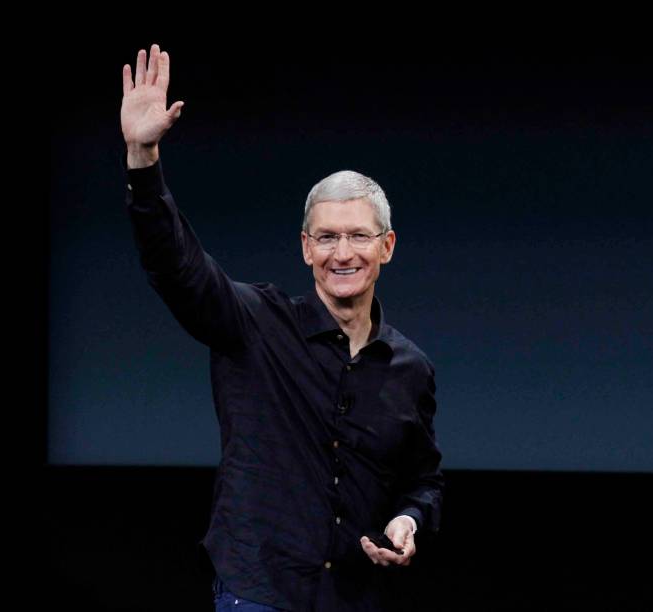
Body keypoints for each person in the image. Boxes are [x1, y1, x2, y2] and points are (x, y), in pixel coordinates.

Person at [121, 44, 444, 611]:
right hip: (258, 593)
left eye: (358, 236)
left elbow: (423, 480)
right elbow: (178, 267)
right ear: (305, 248)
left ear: (386, 247)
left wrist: (407, 519)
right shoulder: (255, 323)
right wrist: (142, 158)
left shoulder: (410, 369)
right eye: (326, 237)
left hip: (354, 599)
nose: (342, 253)